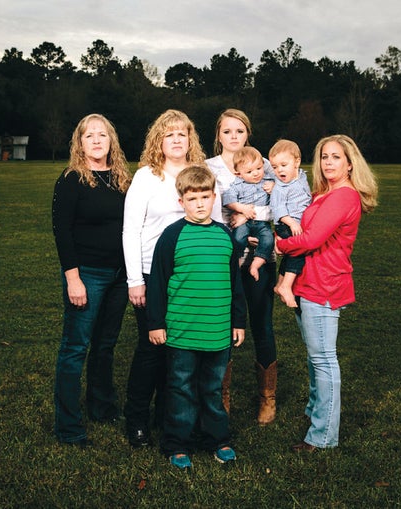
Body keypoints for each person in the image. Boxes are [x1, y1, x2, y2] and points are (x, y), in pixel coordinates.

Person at [123, 109, 223, 447]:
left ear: (190, 138)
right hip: (153, 274)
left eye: (182, 133)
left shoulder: (203, 174)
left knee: (182, 351)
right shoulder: (146, 178)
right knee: (152, 348)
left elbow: (217, 224)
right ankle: (136, 419)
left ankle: (171, 420)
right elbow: (130, 229)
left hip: (193, 277)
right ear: (159, 141)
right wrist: (135, 279)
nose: (176, 139)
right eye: (169, 134)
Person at [275, 134, 378, 452]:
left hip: (324, 284)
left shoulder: (344, 197)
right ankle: (315, 413)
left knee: (323, 359)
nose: (328, 162)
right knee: (314, 356)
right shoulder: (323, 193)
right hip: (307, 281)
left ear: (350, 163)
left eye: (336, 156)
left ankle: (322, 436)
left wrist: (278, 244)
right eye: (324, 156)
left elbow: (311, 239)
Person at [147, 165, 246, 470]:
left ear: (214, 197)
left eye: (205, 196)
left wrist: (238, 322)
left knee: (212, 389)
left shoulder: (225, 236)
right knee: (181, 388)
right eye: (193, 198)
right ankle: (178, 443)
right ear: (182, 202)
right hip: (182, 331)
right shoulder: (171, 237)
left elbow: (235, 283)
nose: (200, 203)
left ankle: (217, 439)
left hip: (217, 332)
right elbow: (158, 282)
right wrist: (156, 323)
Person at [52, 113, 132, 446]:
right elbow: (62, 232)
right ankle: (69, 426)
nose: (97, 140)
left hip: (120, 275)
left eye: (102, 134)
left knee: (105, 345)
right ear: (80, 143)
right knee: (75, 348)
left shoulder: (122, 178)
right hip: (88, 274)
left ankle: (101, 406)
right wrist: (74, 279)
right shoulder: (72, 179)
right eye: (89, 135)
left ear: (111, 140)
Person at [206, 108, 278, 425]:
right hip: (223, 258)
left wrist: (261, 223)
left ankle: (267, 398)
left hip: (261, 257)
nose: (233, 137)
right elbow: (201, 209)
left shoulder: (264, 166)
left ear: (248, 133)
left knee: (261, 323)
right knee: (223, 328)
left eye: (239, 131)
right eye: (227, 131)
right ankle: (221, 397)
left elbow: (284, 205)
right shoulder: (208, 167)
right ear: (218, 135)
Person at [269, 139, 312, 308]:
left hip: (297, 222)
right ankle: (287, 286)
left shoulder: (301, 177)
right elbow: (278, 209)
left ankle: (280, 284)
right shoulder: (279, 188)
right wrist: (292, 223)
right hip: (286, 223)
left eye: (283, 165)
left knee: (289, 255)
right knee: (298, 251)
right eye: (274, 167)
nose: (279, 170)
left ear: (297, 162)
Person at [222, 146, 275, 281]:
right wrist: (241, 208)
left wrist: (274, 187)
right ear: (238, 174)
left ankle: (256, 264)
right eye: (249, 171)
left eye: (259, 168)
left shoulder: (268, 181)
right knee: (239, 238)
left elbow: (283, 188)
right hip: (243, 223)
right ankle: (236, 261)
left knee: (268, 240)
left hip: (262, 223)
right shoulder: (236, 185)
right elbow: (228, 200)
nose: (256, 173)